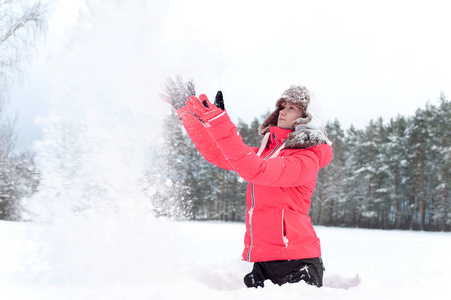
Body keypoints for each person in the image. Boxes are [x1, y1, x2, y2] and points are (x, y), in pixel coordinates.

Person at [161, 76, 333, 288]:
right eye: (282, 106)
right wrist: (187, 113)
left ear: (306, 118)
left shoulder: (305, 159)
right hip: (264, 260)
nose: (282, 111)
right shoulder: (268, 153)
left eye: (291, 108)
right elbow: (217, 153)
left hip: (297, 262)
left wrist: (220, 122)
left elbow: (254, 169)